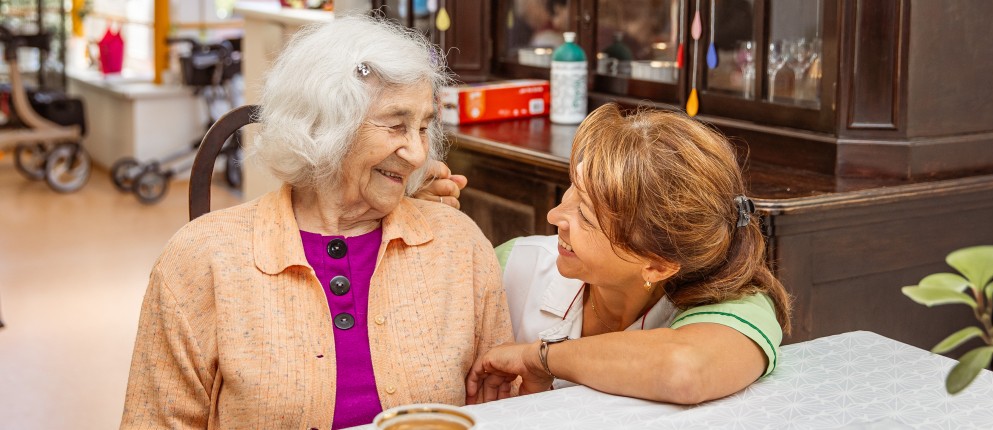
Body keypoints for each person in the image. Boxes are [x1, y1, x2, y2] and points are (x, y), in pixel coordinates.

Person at [120, 16, 511, 429]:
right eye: (396, 126)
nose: (417, 153)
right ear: (324, 127)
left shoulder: (457, 242)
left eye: (424, 127)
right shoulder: (203, 257)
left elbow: (505, 410)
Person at [465, 103, 793, 405]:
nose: (555, 216)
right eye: (572, 190)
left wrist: (540, 358)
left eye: (586, 216)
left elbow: (683, 371)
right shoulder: (513, 264)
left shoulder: (738, 303)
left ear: (656, 265)